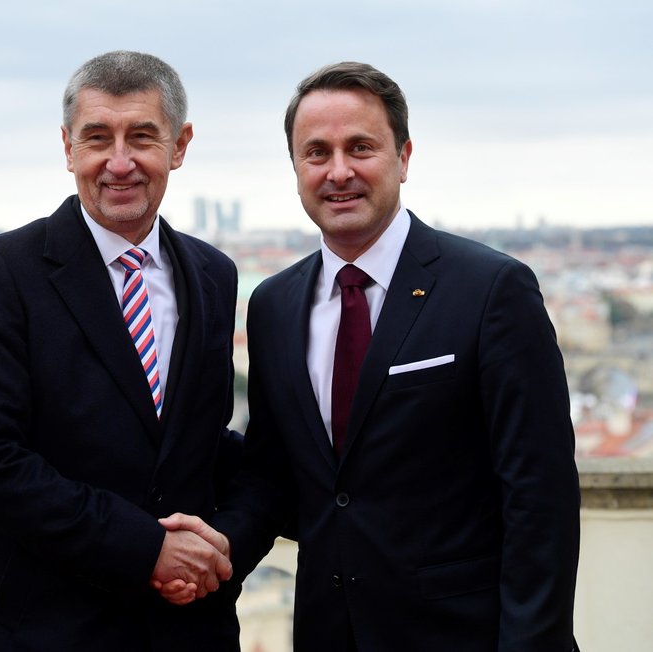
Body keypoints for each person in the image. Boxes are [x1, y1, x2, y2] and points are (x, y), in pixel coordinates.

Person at [161, 61, 581, 651]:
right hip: (329, 633)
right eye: (316, 152)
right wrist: (223, 546)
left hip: (464, 636)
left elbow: (540, 497)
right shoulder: (274, 305)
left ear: (404, 157)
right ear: (295, 168)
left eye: (361, 147)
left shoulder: (491, 290)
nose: (339, 172)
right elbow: (274, 473)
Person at [0, 50, 242, 651]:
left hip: (184, 629)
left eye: (143, 137)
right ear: (68, 146)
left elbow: (199, 443)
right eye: (98, 137)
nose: (120, 162)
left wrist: (221, 548)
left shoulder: (214, 274)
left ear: (179, 147)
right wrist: (147, 548)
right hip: (43, 629)